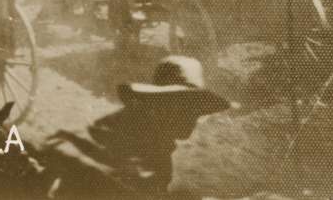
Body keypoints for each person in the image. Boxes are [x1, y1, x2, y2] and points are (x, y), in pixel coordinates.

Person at [36, 56, 235, 198]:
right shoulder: (128, 134)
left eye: (196, 110)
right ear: (161, 104)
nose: (192, 118)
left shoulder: (153, 139)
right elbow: (65, 146)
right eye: (185, 108)